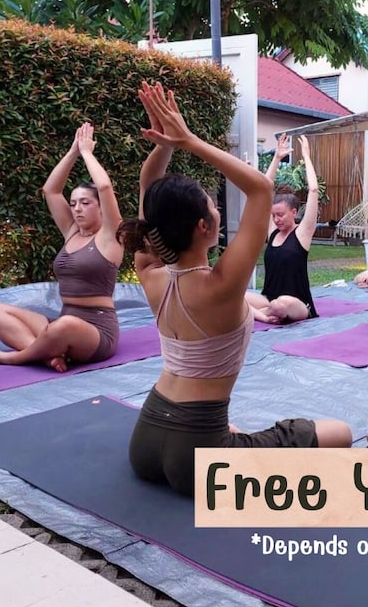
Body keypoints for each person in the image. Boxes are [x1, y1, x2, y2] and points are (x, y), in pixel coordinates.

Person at [120, 83, 352, 497]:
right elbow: (260, 189)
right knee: (340, 432)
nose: (216, 208)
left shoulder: (150, 273)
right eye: (213, 205)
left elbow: (148, 188)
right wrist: (188, 140)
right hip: (197, 456)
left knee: (234, 429)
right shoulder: (222, 284)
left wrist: (165, 145)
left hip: (146, 439)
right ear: (204, 227)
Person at [0, 122, 122, 371]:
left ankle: (16, 358)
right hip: (62, 321)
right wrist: (73, 151)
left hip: (96, 331)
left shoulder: (111, 235)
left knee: (64, 326)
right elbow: (51, 190)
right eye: (73, 203)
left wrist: (87, 152)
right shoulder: (71, 231)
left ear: (101, 207)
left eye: (85, 203)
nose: (77, 209)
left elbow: (105, 186)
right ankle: (47, 357)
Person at [246, 133, 320, 324]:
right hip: (268, 298)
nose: (276, 220)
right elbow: (263, 189)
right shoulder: (273, 232)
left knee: (281, 304)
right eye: (273, 216)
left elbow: (313, 190)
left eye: (280, 215)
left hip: (297, 303)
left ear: (294, 212)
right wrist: (277, 158)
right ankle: (264, 315)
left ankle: (257, 313)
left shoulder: (302, 233)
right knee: (232, 295)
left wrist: (307, 156)